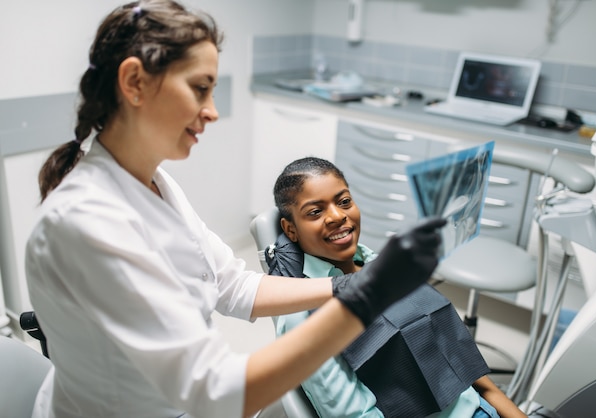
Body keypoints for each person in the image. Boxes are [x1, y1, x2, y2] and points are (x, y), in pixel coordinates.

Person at [23, 2, 448, 417]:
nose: (212, 111)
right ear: (134, 82)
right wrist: (368, 299)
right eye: (200, 88)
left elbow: (231, 287)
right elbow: (212, 392)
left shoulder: (155, 183)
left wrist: (352, 285)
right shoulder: (87, 224)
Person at [269, 156, 528, 418]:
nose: (337, 216)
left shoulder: (379, 263)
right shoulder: (302, 316)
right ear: (291, 230)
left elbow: (466, 371)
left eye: (344, 201)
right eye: (315, 212)